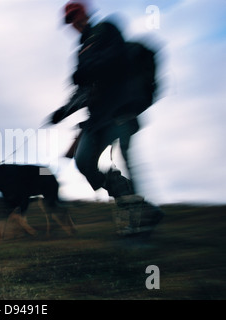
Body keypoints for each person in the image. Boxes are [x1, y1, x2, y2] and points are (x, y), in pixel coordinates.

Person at [50, 0, 163, 235]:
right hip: (97, 118)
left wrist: (85, 71)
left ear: (86, 14)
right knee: (83, 162)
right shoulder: (80, 52)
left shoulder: (107, 29)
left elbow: (116, 61)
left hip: (122, 108)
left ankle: (139, 220)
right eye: (70, 20)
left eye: (77, 15)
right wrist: (63, 111)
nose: (75, 22)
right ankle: (130, 198)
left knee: (127, 157)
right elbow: (84, 90)